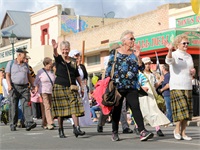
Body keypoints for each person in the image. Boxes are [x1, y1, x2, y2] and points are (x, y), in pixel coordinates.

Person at [105, 30, 154, 141]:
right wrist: (107, 83)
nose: (133, 40)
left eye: (133, 38)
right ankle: (115, 131)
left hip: (132, 86)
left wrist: (138, 57)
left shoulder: (134, 54)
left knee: (136, 107)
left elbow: (141, 69)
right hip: (118, 86)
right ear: (124, 41)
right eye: (131, 38)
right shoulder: (115, 52)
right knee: (117, 109)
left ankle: (142, 131)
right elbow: (109, 68)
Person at [51, 39, 85, 138]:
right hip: (59, 86)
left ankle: (77, 128)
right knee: (61, 111)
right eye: (63, 49)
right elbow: (55, 54)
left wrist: (82, 87)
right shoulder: (59, 59)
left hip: (72, 87)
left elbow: (77, 75)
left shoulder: (73, 61)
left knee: (74, 106)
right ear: (61, 50)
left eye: (67, 49)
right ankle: (60, 129)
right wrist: (54, 49)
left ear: (69, 49)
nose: (65, 51)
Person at [164, 34, 195, 140]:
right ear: (178, 44)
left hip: (188, 85)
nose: (186, 45)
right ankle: (177, 129)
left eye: (187, 43)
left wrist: (193, 71)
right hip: (176, 86)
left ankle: (183, 133)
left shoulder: (189, 56)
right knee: (181, 110)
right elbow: (169, 61)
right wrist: (169, 50)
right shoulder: (174, 54)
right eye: (184, 43)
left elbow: (191, 70)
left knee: (187, 112)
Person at [136, 57, 170, 137]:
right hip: (143, 96)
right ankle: (138, 127)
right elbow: (138, 85)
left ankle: (158, 129)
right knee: (143, 112)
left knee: (154, 111)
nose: (148, 65)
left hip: (152, 96)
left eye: (149, 64)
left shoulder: (152, 74)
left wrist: (160, 81)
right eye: (146, 64)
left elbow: (154, 86)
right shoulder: (140, 74)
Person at [5, 48, 37, 131]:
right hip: (14, 87)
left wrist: (33, 86)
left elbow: (29, 76)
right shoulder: (11, 63)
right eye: (24, 55)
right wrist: (9, 85)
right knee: (13, 106)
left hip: (25, 87)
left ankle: (29, 122)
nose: (25, 57)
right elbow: (7, 75)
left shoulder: (26, 65)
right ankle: (13, 123)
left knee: (26, 104)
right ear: (19, 55)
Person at [69, 49, 93, 126]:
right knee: (75, 104)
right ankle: (75, 121)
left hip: (82, 86)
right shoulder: (70, 66)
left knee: (84, 103)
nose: (78, 57)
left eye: (78, 56)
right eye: (76, 56)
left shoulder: (82, 67)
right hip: (74, 86)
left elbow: (85, 77)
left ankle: (83, 121)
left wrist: (84, 87)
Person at [34, 57, 55, 130]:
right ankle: (50, 123)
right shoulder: (40, 71)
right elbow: (36, 81)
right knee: (47, 106)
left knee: (48, 107)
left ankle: (44, 122)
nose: (51, 65)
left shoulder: (52, 72)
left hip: (51, 91)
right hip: (43, 91)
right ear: (46, 64)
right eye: (50, 64)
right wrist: (36, 88)